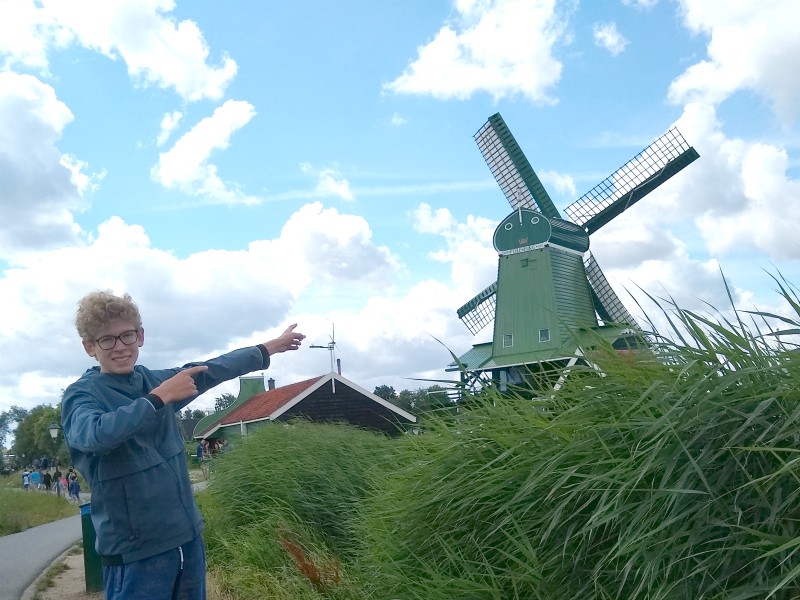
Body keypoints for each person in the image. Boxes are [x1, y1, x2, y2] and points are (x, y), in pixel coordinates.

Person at [61, 290, 305, 600]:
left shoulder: (153, 380)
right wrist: (158, 399)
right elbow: (94, 435)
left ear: (140, 336)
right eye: (107, 340)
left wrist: (267, 348)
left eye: (127, 336)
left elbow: (212, 369)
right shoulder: (83, 396)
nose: (120, 347)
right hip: (136, 553)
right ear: (89, 347)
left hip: (186, 539)